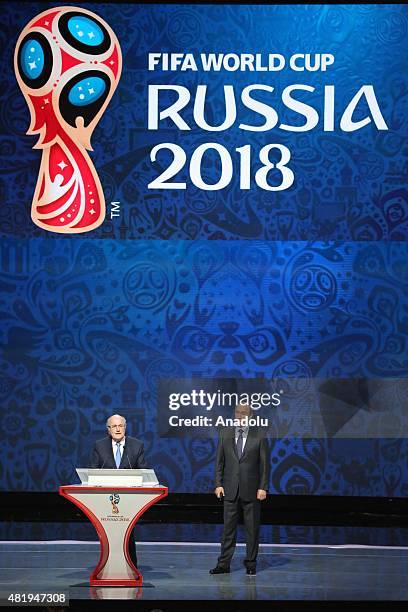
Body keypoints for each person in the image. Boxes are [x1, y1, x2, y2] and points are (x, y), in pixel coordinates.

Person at [210, 403, 269, 576]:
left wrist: (263, 487)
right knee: (228, 529)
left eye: (244, 413)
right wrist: (218, 484)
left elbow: (265, 465)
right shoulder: (225, 432)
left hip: (252, 490)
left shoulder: (260, 434)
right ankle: (224, 564)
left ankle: (251, 563)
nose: (240, 415)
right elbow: (219, 462)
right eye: (238, 412)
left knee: (252, 529)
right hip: (229, 489)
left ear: (250, 415)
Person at [89, 413, 147, 568]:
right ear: (108, 429)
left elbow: (144, 472)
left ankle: (131, 566)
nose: (117, 429)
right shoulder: (99, 446)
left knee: (128, 533)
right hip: (105, 499)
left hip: (129, 499)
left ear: (125, 428)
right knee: (108, 534)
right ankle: (108, 565)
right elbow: (93, 472)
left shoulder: (137, 445)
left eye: (120, 426)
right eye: (114, 426)